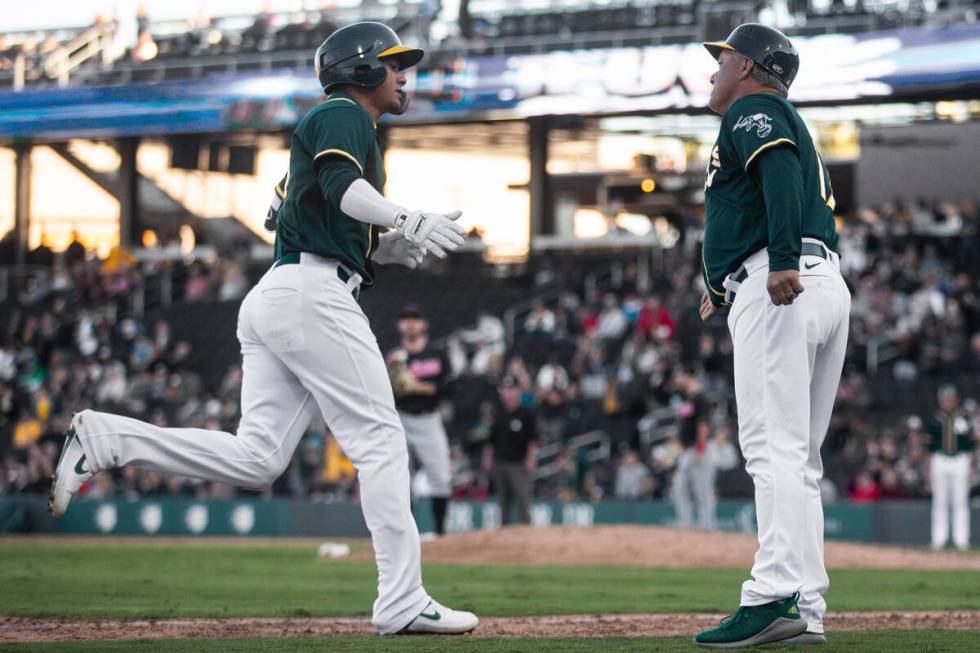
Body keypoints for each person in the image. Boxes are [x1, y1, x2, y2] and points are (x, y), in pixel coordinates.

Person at [48, 21, 477, 636]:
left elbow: (311, 209)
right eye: (393, 63)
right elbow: (343, 188)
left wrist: (380, 247)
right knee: (382, 441)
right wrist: (405, 219)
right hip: (309, 293)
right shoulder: (343, 113)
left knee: (258, 459)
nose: (405, 74)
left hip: (284, 292)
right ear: (359, 72)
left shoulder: (334, 122)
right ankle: (402, 601)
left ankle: (105, 439)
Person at [695, 24, 850, 648]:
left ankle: (772, 594)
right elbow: (759, 198)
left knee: (772, 451)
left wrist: (777, 259)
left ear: (751, 66)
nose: (714, 69)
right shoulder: (774, 109)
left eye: (723, 57)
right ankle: (806, 606)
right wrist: (724, 282)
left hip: (783, 281)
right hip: (815, 280)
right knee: (799, 460)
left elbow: (779, 174)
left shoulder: (755, 107)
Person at [388, 305, 453, 537]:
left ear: (424, 324)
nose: (410, 323)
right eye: (405, 319)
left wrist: (416, 386)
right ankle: (406, 535)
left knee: (441, 477)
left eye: (415, 318)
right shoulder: (395, 356)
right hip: (401, 418)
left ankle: (441, 533)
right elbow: (388, 389)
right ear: (399, 325)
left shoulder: (436, 354)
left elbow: (448, 389)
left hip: (429, 419)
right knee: (401, 480)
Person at [925, 385, 975, 551]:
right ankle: (938, 539)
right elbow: (928, 446)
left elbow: (972, 442)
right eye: (945, 399)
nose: (948, 402)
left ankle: (961, 540)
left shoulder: (964, 418)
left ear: (956, 400)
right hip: (940, 459)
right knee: (940, 500)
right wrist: (928, 466)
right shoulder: (934, 419)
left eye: (951, 398)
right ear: (941, 400)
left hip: (960, 459)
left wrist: (971, 461)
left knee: (960, 500)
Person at [489, 380, 537, 525]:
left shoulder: (526, 414)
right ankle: (505, 531)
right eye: (506, 390)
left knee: (523, 499)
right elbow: (491, 440)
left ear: (518, 392)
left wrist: (530, 459)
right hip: (500, 462)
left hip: (518, 464)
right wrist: (489, 460)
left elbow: (533, 440)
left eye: (512, 389)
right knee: (503, 501)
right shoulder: (498, 412)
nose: (508, 393)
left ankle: (526, 529)